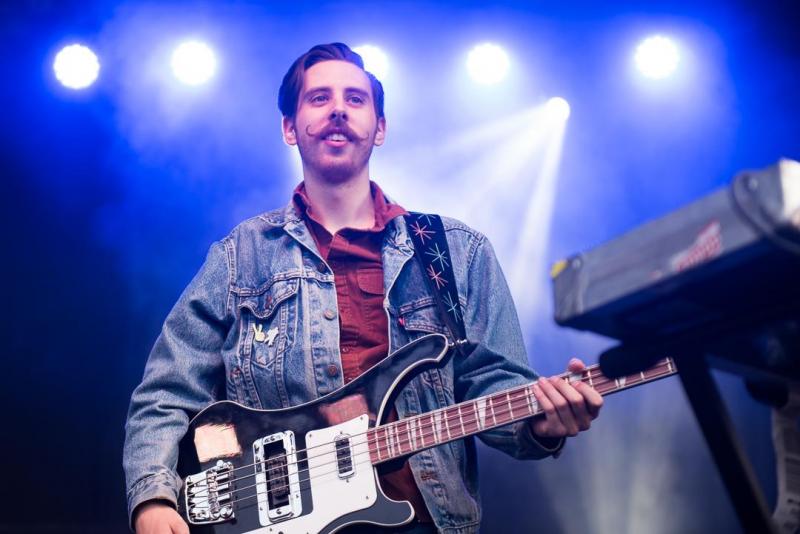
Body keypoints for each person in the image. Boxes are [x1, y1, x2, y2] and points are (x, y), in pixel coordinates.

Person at [124, 42, 603, 534]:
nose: (338, 109)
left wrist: (541, 419)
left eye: (355, 99)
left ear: (379, 129)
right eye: (319, 98)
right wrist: (152, 500)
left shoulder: (456, 251)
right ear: (289, 128)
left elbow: (492, 381)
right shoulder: (239, 256)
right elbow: (166, 391)